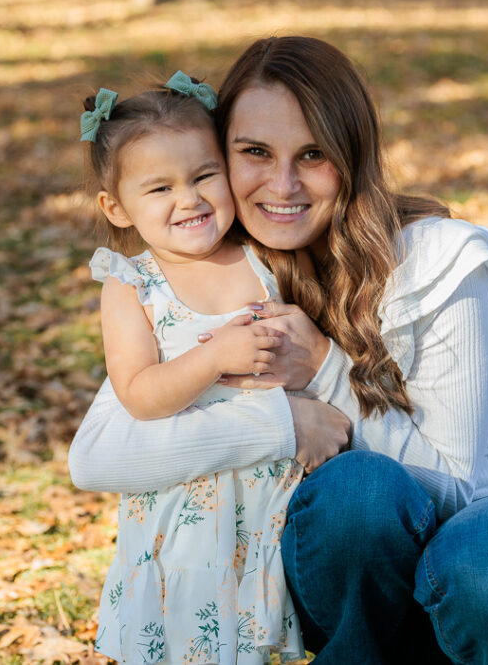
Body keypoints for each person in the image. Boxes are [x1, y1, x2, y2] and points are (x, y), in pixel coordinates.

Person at [69, 37, 488, 665]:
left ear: (351, 155)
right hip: (352, 562)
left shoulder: (441, 259)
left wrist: (321, 368)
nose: (281, 184)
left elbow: (451, 489)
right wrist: (280, 422)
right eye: (254, 152)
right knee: (356, 496)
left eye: (312, 154)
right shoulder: (226, 268)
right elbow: (99, 453)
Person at [79, 72, 306, 664]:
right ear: (117, 207)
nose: (190, 199)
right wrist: (213, 357)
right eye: (159, 188)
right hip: (184, 514)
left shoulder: (265, 258)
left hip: (270, 499)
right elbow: (139, 395)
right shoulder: (134, 287)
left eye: (205, 175)